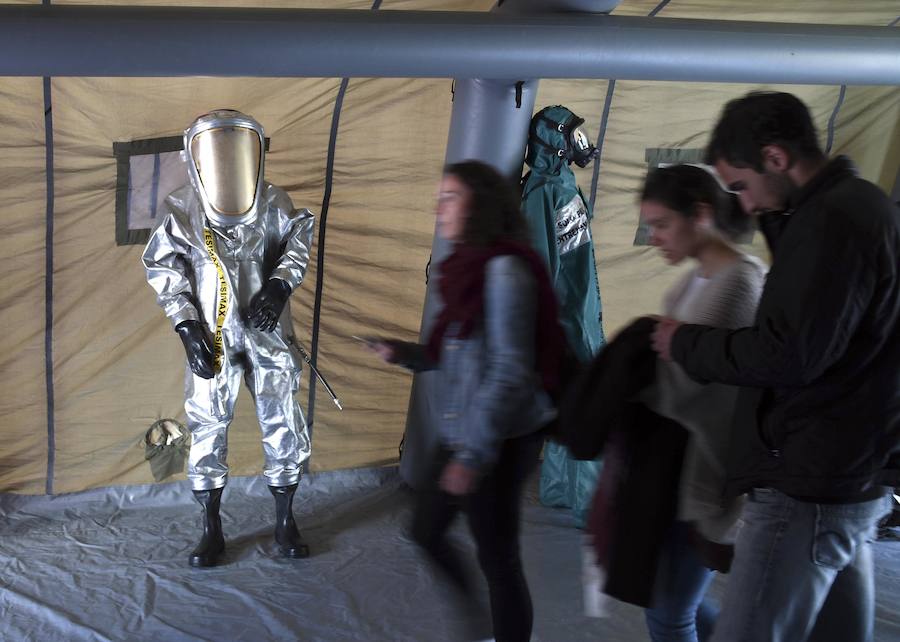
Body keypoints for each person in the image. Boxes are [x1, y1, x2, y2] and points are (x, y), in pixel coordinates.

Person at [651, 91, 900, 642]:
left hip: (806, 480)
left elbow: (788, 354)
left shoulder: (832, 223)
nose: (740, 205)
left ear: (777, 158)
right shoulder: (854, 209)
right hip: (841, 474)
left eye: (739, 186)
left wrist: (686, 343)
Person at [367, 160, 563, 642]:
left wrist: (473, 456)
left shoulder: (505, 270)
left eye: (451, 197)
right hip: (463, 429)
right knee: (426, 531)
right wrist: (408, 355)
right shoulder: (466, 269)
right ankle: (477, 626)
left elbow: (508, 370)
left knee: (499, 559)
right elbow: (457, 352)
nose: (440, 209)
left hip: (499, 436)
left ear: (479, 205)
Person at [142, 109, 315, 567]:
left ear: (258, 150)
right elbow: (164, 268)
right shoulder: (181, 209)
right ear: (194, 153)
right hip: (213, 338)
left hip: (269, 336)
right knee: (207, 427)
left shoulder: (276, 203)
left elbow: (298, 240)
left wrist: (279, 287)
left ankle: (285, 520)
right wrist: (186, 325)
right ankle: (211, 528)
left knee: (282, 421)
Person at [638, 164, 766, 641]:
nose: (654, 238)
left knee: (670, 611)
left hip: (709, 481)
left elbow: (684, 389)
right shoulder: (700, 278)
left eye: (662, 224)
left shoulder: (738, 281)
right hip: (682, 473)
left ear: (702, 215)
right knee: (673, 604)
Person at [521, 105, 605, 527]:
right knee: (589, 403)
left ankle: (559, 491)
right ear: (554, 139)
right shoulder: (541, 192)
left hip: (582, 308)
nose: (583, 143)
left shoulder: (561, 181)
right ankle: (591, 502)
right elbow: (539, 264)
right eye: (574, 135)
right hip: (570, 316)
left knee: (572, 401)